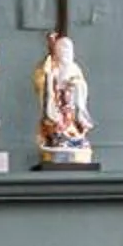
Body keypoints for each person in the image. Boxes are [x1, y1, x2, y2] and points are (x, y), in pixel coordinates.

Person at [33, 31, 93, 164]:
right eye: (62, 50)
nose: (66, 53)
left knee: (73, 127)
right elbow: (43, 85)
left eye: (68, 50)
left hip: (70, 105)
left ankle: (73, 138)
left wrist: (76, 85)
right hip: (58, 105)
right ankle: (58, 138)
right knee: (57, 126)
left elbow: (82, 85)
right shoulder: (53, 69)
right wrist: (51, 81)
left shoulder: (75, 68)